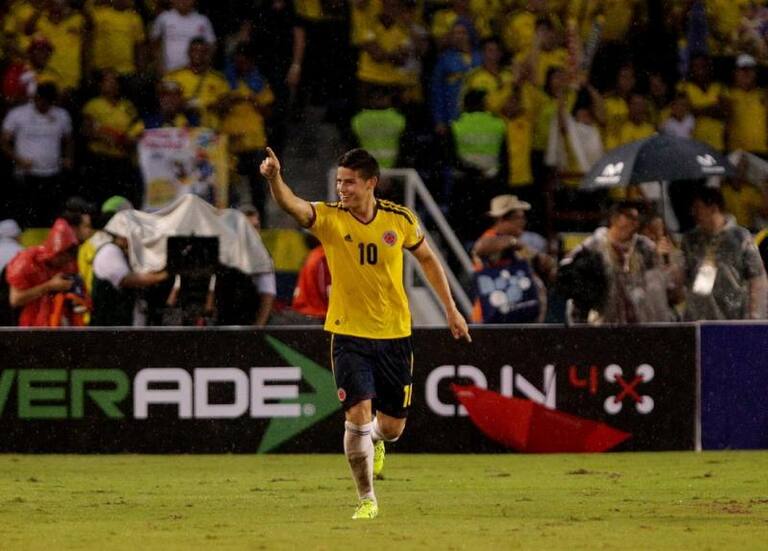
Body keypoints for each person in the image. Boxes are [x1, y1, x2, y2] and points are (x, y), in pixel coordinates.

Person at [260, 147, 471, 520]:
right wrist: (276, 178)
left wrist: (450, 309)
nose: (342, 189)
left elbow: (427, 258)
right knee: (356, 416)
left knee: (391, 428)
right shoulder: (330, 218)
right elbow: (294, 206)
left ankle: (377, 438)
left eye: (350, 182)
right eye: (339, 182)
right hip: (348, 336)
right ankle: (367, 498)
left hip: (394, 335)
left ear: (371, 183)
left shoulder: (399, 219)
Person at [565, 201, 681, 324]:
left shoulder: (645, 248)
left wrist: (665, 260)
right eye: (630, 218)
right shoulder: (592, 247)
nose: (634, 223)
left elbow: (668, 290)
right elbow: (571, 281)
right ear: (614, 219)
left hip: (638, 321)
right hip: (602, 321)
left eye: (636, 219)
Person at [681, 187, 767, 320]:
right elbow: (684, 277)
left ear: (713, 209)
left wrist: (754, 315)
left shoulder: (740, 237)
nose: (694, 213)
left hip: (734, 316)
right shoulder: (690, 240)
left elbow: (756, 278)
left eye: (698, 208)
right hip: (700, 316)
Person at [470, 194, 556, 324]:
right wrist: (513, 242)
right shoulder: (492, 238)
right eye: (518, 218)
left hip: (518, 317)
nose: (523, 222)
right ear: (501, 219)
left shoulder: (516, 245)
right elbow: (479, 248)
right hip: (495, 318)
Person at [1, 82, 74, 228]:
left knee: (49, 214)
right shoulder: (18, 114)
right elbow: (3, 142)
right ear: (36, 98)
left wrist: (68, 157)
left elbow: (69, 140)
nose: (44, 106)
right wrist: (18, 159)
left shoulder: (61, 115)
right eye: (41, 101)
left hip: (52, 173)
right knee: (27, 213)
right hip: (26, 173)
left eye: (48, 103)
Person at [5, 218, 80, 326]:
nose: (63, 263)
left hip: (59, 322)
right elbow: (15, 299)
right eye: (61, 258)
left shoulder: (69, 264)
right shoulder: (27, 261)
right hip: (30, 325)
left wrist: (76, 296)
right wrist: (49, 286)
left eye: (67, 260)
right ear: (55, 251)